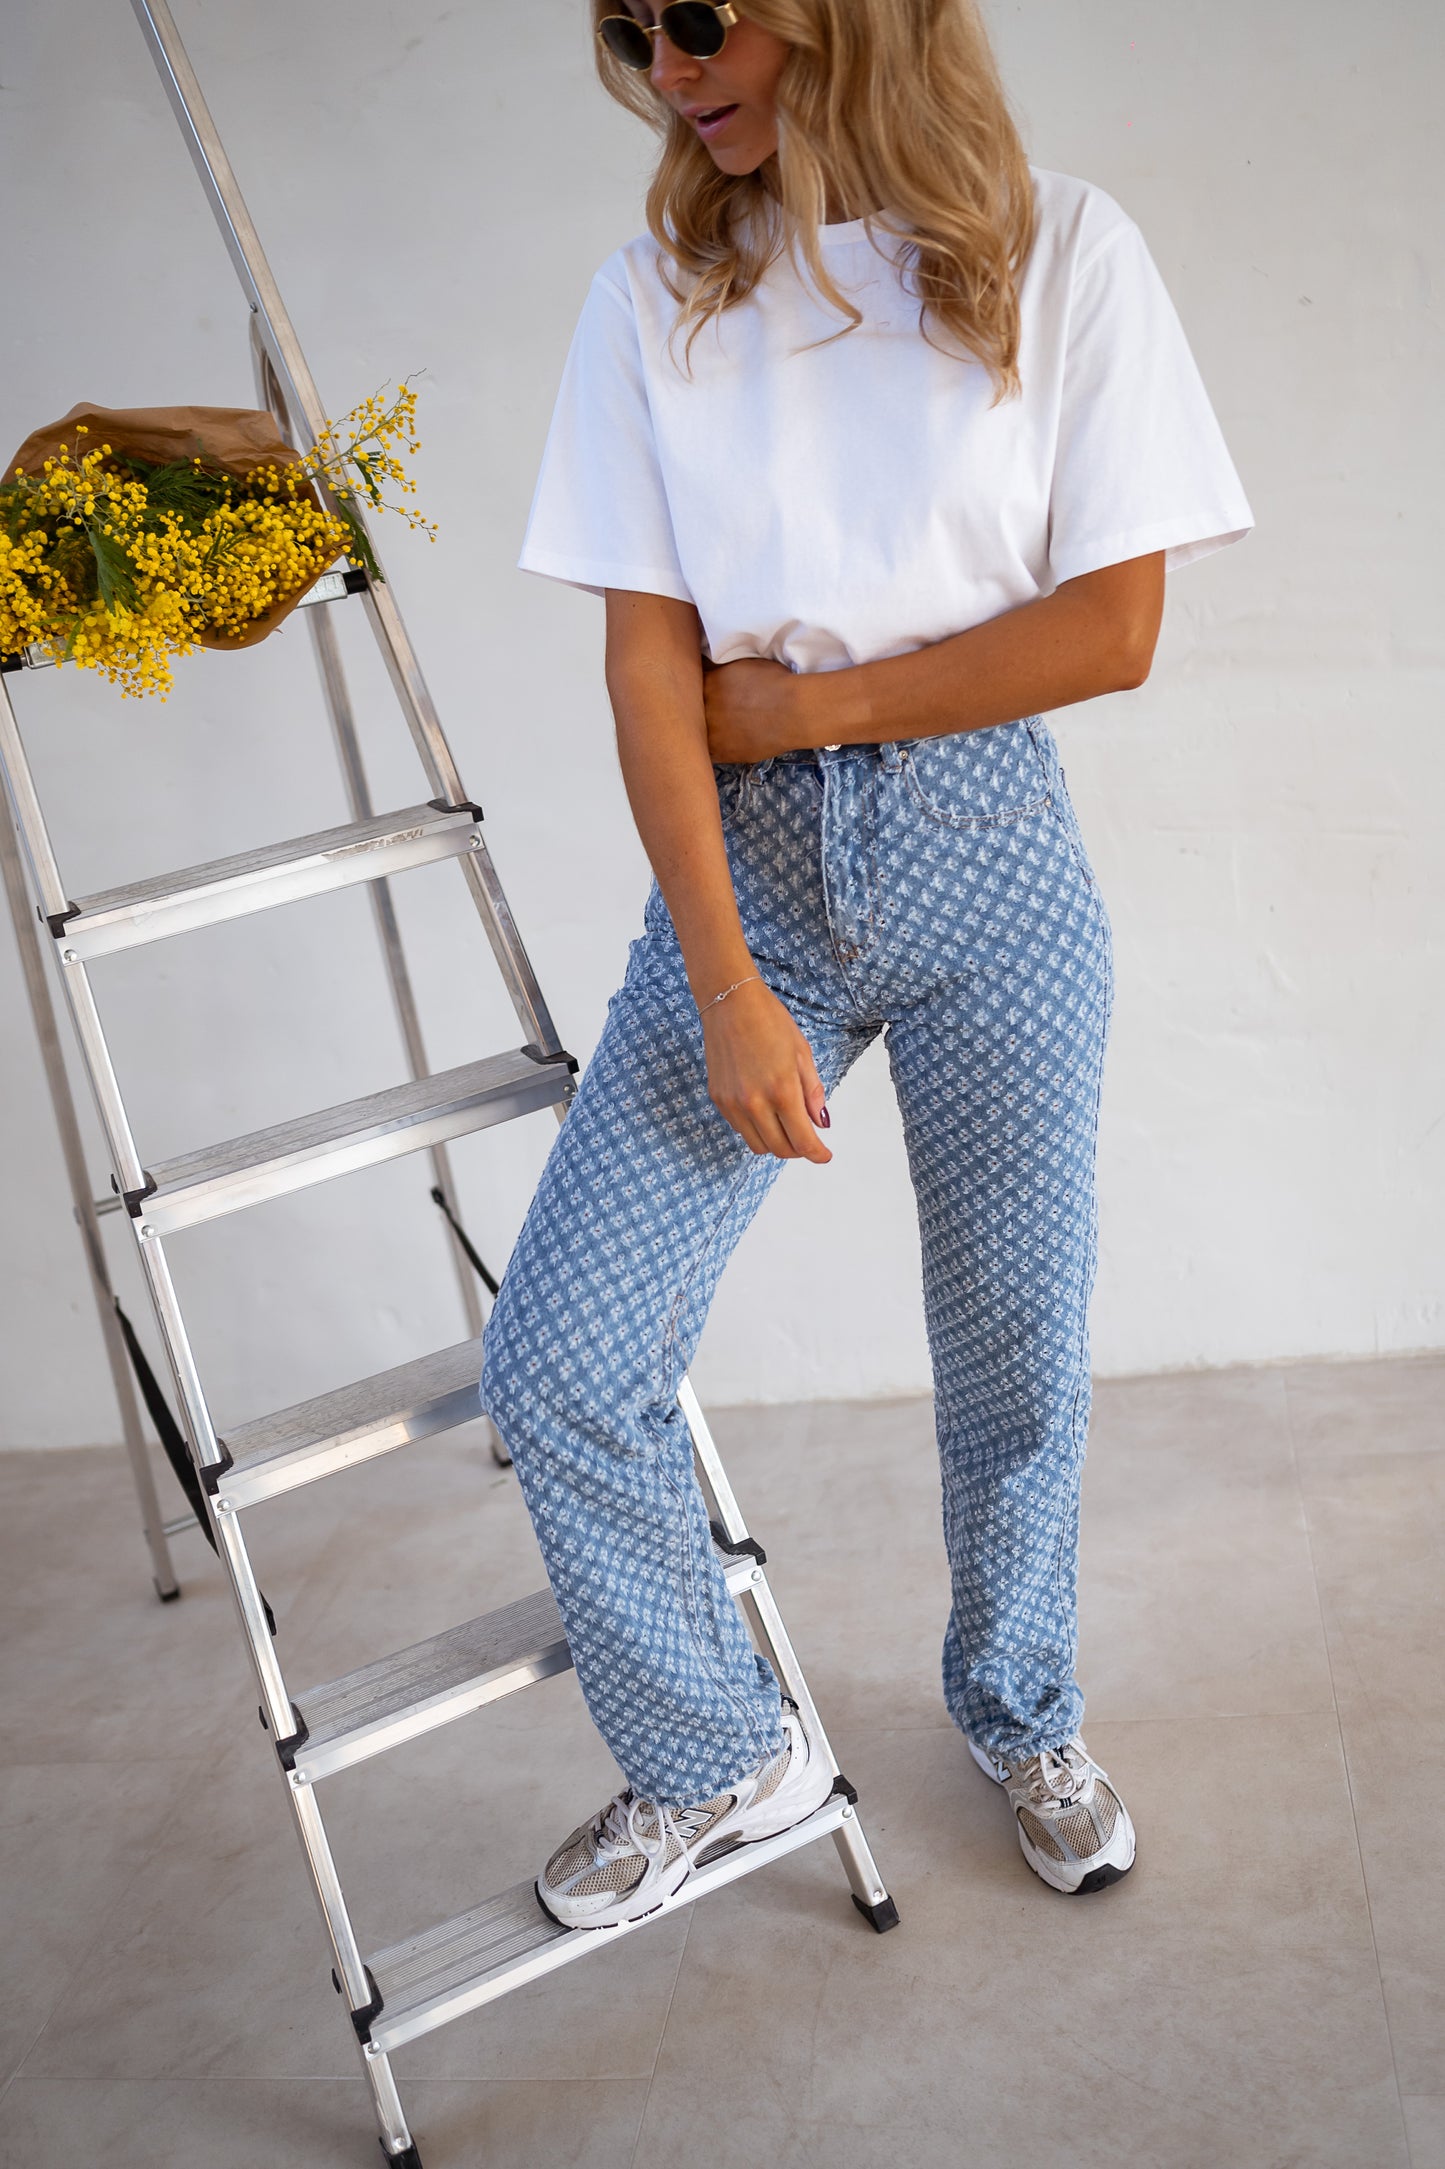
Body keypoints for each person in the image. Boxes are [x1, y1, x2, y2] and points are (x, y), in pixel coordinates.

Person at [480, 0, 1253, 1927]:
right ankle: (715, 1754)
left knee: (1012, 1340)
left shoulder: (1059, 248)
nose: (669, 67)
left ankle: (1024, 1711)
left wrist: (811, 705)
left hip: (994, 854)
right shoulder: (651, 299)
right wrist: (726, 988)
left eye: (701, 19)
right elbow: (648, 673)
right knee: (562, 1356)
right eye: (631, 31)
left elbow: (1113, 629)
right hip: (743, 877)